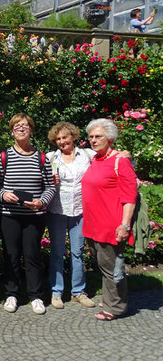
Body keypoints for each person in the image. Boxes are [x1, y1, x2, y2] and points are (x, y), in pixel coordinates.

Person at [0, 113, 55, 315]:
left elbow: (50, 187)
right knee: (11, 255)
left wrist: (41, 201)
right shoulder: (3, 157)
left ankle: (35, 296)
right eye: (17, 126)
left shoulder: (41, 158)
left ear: (31, 130)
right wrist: (4, 195)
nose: (21, 129)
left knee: (32, 255)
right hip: (9, 215)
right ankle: (11, 294)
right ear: (12, 131)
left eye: (25, 126)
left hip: (34, 216)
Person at [82, 118, 137, 320]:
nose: (94, 140)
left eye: (98, 136)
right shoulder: (96, 159)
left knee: (112, 267)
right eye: (91, 137)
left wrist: (124, 225)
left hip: (110, 226)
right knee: (104, 265)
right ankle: (110, 298)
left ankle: (115, 308)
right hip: (93, 224)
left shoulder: (119, 161)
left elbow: (129, 197)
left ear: (110, 138)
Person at [46, 122, 96, 310]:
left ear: (73, 136)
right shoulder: (51, 158)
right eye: (58, 139)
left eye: (65, 137)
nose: (62, 141)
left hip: (80, 210)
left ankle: (78, 292)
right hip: (57, 210)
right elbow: (42, 180)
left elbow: (111, 155)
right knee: (57, 253)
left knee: (78, 252)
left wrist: (125, 154)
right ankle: (56, 292)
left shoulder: (88, 155)